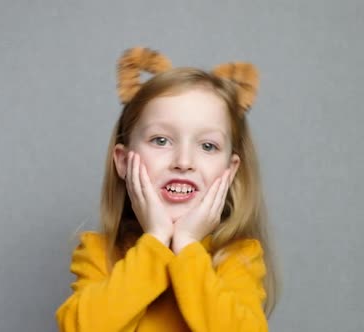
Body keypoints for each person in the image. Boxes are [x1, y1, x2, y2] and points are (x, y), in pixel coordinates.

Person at [55, 47, 280, 332]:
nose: (184, 162)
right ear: (123, 161)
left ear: (230, 170)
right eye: (161, 140)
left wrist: (186, 246)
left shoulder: (237, 257)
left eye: (208, 146)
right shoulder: (100, 253)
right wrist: (156, 240)